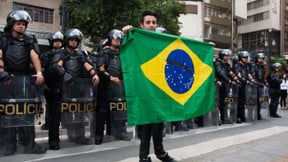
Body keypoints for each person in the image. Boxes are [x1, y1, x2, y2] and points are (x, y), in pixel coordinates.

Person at [122, 10, 177, 162]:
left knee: (159, 123)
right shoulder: (136, 39)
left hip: (160, 89)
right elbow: (125, 43)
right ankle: (143, 157)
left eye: (154, 22)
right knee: (146, 124)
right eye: (148, 22)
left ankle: (161, 153)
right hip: (144, 89)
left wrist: (205, 47)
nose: (152, 25)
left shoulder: (163, 41)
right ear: (142, 24)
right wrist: (127, 31)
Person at [0, 10, 46, 156]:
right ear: (12, 24)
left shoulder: (29, 40)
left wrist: (39, 73)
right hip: (7, 80)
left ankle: (29, 144)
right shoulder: (3, 39)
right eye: (18, 24)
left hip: (24, 81)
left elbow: (35, 56)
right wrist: (2, 71)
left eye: (23, 24)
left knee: (26, 114)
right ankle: (8, 144)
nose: (21, 27)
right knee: (8, 114)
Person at [52, 28, 100, 145]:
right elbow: (57, 66)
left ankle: (80, 135)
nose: (74, 42)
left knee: (80, 112)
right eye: (72, 40)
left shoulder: (80, 54)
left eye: (76, 40)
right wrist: (65, 75)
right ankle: (67, 134)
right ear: (67, 40)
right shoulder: (61, 53)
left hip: (79, 87)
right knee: (66, 113)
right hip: (65, 87)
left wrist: (94, 74)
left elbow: (86, 64)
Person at [94, 29, 131, 145]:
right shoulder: (104, 53)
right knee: (102, 111)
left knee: (120, 109)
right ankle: (99, 135)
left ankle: (121, 131)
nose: (118, 40)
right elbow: (100, 68)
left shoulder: (122, 54)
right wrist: (110, 78)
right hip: (106, 86)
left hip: (119, 87)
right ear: (111, 39)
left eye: (120, 39)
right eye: (116, 38)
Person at [40, 31, 63, 150]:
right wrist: (44, 83)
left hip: (63, 87)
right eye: (55, 41)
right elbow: (42, 70)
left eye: (59, 41)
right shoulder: (46, 56)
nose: (58, 43)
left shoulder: (65, 54)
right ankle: (53, 141)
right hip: (50, 87)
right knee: (52, 115)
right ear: (51, 42)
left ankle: (55, 139)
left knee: (58, 116)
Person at [214, 49, 240, 124]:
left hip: (226, 85)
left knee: (225, 102)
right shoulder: (218, 63)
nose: (228, 57)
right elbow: (220, 73)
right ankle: (217, 119)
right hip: (219, 84)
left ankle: (224, 118)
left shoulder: (226, 64)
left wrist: (237, 80)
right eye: (226, 56)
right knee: (217, 103)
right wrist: (228, 80)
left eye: (228, 56)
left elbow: (231, 72)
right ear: (222, 56)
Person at [233, 51, 257, 123]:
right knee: (238, 102)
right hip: (239, 85)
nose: (245, 59)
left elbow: (248, 74)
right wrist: (245, 81)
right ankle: (237, 117)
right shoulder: (237, 65)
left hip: (245, 86)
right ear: (240, 58)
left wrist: (253, 80)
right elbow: (238, 75)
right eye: (244, 57)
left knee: (243, 102)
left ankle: (242, 116)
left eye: (246, 57)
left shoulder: (245, 65)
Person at [249, 52, 267, 120]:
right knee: (253, 100)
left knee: (259, 100)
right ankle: (251, 115)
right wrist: (256, 82)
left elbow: (263, 75)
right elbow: (252, 75)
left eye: (262, 58)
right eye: (259, 58)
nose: (261, 60)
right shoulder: (254, 65)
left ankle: (258, 114)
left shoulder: (262, 66)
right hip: (255, 85)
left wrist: (264, 82)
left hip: (261, 84)